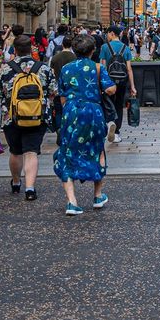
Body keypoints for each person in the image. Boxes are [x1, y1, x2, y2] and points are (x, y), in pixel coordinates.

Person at [54, 34, 116, 215]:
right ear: (93, 50)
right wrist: (112, 88)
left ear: (73, 49)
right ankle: (97, 195)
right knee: (97, 150)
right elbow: (110, 89)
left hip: (71, 111)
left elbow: (62, 94)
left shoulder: (66, 68)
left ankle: (72, 202)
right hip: (93, 112)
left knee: (67, 151)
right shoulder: (97, 67)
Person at [0, 35, 57, 201]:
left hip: (11, 117)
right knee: (31, 151)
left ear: (15, 49)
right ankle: (30, 188)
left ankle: (15, 182)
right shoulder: (43, 68)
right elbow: (53, 93)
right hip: (37, 116)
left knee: (15, 151)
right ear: (32, 48)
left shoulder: (4, 70)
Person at [99, 27, 137, 144]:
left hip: (109, 82)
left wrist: (101, 83)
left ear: (111, 33)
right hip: (122, 81)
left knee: (108, 104)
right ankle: (116, 133)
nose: (107, 36)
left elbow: (103, 66)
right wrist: (132, 86)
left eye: (107, 34)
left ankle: (110, 123)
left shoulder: (105, 47)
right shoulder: (125, 48)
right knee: (119, 105)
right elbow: (129, 69)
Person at [49, 35, 77, 133]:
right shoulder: (75, 58)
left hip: (57, 87)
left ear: (62, 44)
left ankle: (59, 129)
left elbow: (51, 73)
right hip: (71, 87)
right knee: (70, 109)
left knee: (58, 110)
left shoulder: (55, 57)